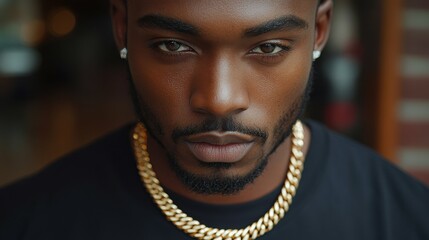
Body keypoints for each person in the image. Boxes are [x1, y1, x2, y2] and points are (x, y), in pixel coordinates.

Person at [1, 0, 428, 239]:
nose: (220, 100)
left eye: (269, 47)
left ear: (318, 32)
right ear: (121, 28)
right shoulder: (24, 222)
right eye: (172, 45)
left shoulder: (408, 220)